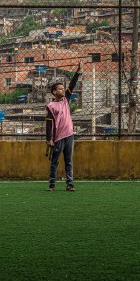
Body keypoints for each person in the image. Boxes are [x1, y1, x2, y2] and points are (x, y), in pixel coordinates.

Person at [46, 62, 82, 192]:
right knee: (55, 161)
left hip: (69, 135)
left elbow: (72, 85)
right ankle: (52, 184)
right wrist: (49, 139)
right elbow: (49, 123)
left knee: (69, 161)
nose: (62, 90)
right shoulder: (51, 106)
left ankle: (70, 184)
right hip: (58, 137)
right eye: (60, 89)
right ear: (54, 92)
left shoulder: (66, 99)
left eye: (63, 88)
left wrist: (78, 72)